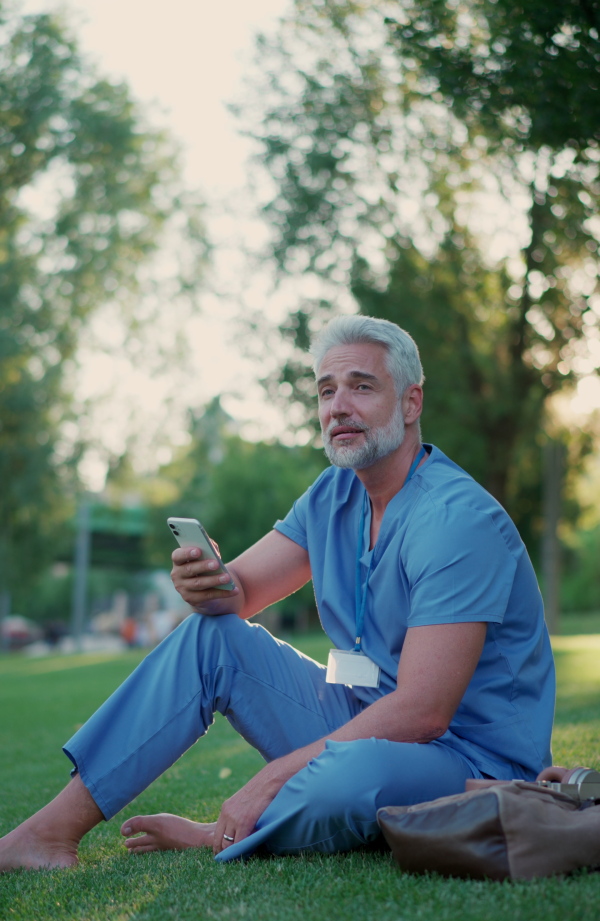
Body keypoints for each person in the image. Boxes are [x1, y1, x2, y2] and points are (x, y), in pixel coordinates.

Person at [0, 314, 555, 871]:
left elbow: (423, 712)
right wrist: (206, 579)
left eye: (362, 386)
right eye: (326, 391)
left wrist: (275, 773)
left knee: (351, 776)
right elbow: (236, 596)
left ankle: (217, 834)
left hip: (469, 761)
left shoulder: (455, 519)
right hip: (363, 719)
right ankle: (47, 834)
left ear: (411, 404)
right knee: (209, 637)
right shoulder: (333, 493)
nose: (338, 406)